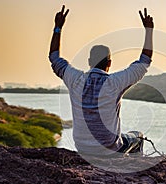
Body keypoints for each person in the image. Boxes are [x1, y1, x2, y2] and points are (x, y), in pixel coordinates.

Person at [49, 6, 154, 156]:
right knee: (137, 136)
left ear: (89, 61)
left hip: (82, 148)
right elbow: (145, 60)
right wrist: (149, 30)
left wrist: (57, 27)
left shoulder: (75, 79)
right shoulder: (115, 83)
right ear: (109, 63)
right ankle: (133, 169)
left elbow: (54, 57)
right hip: (109, 149)